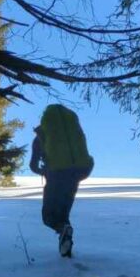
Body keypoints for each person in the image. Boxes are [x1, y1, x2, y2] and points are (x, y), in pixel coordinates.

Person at [29, 104, 94, 257]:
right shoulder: (72, 133)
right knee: (63, 214)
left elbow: (33, 165)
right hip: (77, 173)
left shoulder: (40, 137)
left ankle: (63, 230)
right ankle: (66, 251)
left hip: (56, 175)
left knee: (49, 217)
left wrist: (43, 171)